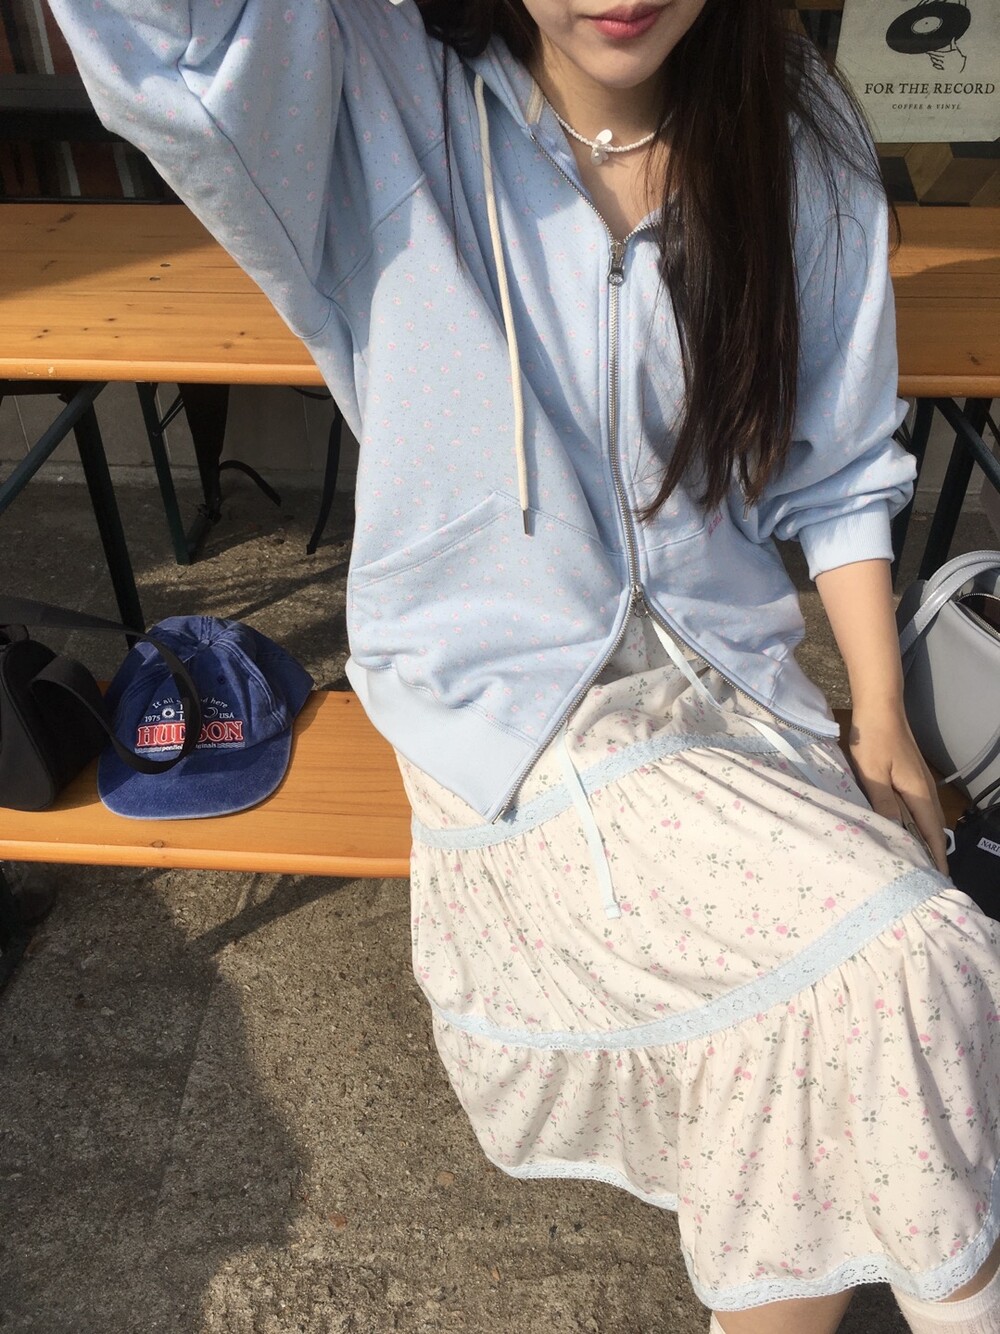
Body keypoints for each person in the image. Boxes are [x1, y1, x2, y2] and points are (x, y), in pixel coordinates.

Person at [48, 1, 1000, 1330]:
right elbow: (175, 40)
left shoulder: (793, 130)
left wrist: (881, 713)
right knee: (906, 959)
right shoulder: (373, 96)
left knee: (814, 1031)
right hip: (507, 720)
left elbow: (836, 469)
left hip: (735, 697)